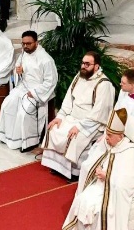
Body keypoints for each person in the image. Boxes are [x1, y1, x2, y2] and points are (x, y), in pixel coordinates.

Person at [61, 108, 134, 230]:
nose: (106, 138)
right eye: (106, 134)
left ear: (120, 136)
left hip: (117, 189)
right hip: (104, 184)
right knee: (84, 198)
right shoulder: (110, 144)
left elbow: (128, 180)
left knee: (98, 206)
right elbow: (94, 160)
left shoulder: (131, 152)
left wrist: (107, 176)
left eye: (110, 135)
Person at [41, 50, 115, 178]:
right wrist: (60, 117)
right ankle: (58, 167)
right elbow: (68, 100)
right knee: (54, 129)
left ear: (96, 66)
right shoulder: (79, 77)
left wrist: (79, 126)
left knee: (73, 136)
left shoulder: (104, 85)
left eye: (87, 64)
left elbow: (99, 113)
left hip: (91, 123)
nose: (83, 66)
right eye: (82, 63)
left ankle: (74, 172)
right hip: (72, 117)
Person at [0, 30, 57, 151]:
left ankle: (30, 142)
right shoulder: (24, 53)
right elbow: (18, 68)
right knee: (7, 105)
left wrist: (34, 93)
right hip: (23, 86)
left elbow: (51, 81)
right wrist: (18, 71)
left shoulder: (46, 60)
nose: (25, 46)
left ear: (36, 43)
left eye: (28, 43)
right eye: (23, 43)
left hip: (38, 91)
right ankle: (7, 136)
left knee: (24, 112)